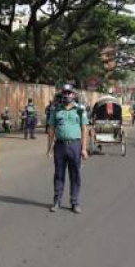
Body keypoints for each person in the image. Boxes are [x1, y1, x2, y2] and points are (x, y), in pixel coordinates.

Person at [47, 85, 88, 214]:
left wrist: (84, 148)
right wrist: (49, 148)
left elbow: (84, 129)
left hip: (75, 145)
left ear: (74, 95)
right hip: (59, 146)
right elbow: (51, 129)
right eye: (65, 92)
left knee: (75, 175)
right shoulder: (56, 109)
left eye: (69, 93)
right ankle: (57, 201)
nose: (67, 95)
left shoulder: (80, 110)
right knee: (59, 174)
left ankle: (74, 202)